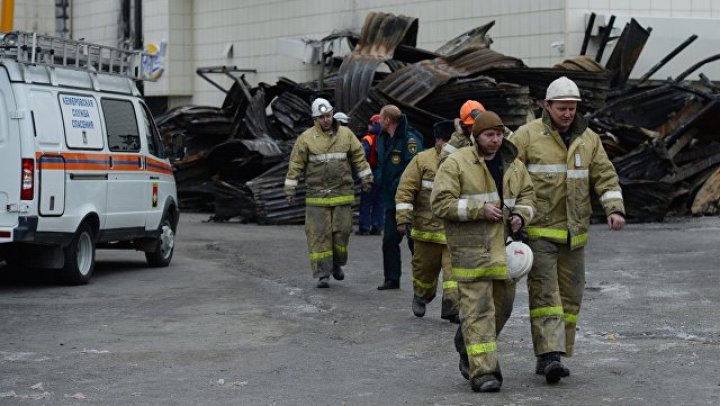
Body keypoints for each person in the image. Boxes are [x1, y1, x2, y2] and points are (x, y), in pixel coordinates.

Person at [509, 76, 625, 384]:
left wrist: (614, 209)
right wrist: (513, 217)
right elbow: (509, 176)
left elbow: (605, 175)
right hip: (540, 233)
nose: (568, 114)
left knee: (571, 299)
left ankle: (558, 350)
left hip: (575, 235)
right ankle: (550, 356)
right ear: (546, 106)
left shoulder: (589, 139)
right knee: (547, 295)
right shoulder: (526, 136)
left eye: (572, 108)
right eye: (562, 108)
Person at [431, 111, 535, 393]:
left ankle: (466, 343)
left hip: (504, 251)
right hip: (471, 252)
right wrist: (478, 210)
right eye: (490, 135)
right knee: (478, 312)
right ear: (476, 136)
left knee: (503, 306)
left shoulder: (513, 164)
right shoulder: (457, 163)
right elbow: (440, 203)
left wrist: (521, 217)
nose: (496, 140)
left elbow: (527, 195)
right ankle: (484, 372)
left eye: (500, 134)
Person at [284, 98, 373, 288]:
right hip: (316, 197)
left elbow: (359, 157)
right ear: (315, 119)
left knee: (342, 233)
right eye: (321, 117)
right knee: (319, 236)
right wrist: (290, 189)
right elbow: (296, 164)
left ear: (332, 114)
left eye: (328, 116)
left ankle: (336, 264)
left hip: (342, 194)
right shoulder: (306, 138)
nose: (326, 120)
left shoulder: (346, 135)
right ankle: (323, 274)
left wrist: (366, 179)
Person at [395, 119, 459, 322]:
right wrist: (403, 219)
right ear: (438, 140)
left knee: (454, 276)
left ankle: (452, 307)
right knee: (424, 274)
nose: (448, 144)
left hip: (453, 232)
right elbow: (405, 190)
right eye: (445, 140)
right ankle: (421, 296)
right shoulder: (421, 160)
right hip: (426, 232)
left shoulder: (466, 161)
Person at [376, 105, 424, 290]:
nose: (379, 121)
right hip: (390, 200)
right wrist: (380, 179)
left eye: (381, 118)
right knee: (389, 240)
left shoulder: (410, 139)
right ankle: (391, 278)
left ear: (388, 120)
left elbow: (414, 168)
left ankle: (422, 281)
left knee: (415, 243)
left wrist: (397, 185)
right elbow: (382, 164)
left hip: (409, 201)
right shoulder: (383, 138)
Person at [357, 114, 384, 235]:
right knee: (379, 201)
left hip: (371, 171)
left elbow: (362, 157)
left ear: (373, 124)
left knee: (366, 200)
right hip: (383, 173)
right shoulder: (387, 138)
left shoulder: (368, 139)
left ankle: (364, 227)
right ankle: (377, 227)